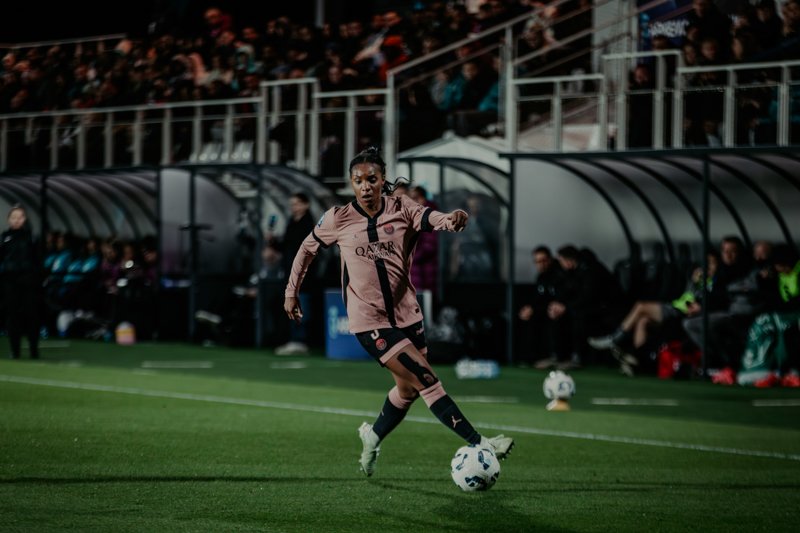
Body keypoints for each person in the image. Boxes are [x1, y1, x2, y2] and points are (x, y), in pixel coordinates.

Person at [283, 147, 513, 477]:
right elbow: (306, 249)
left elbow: (432, 218)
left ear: (382, 180)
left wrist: (452, 220)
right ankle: (482, 443)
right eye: (358, 181)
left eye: (371, 179)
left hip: (407, 314)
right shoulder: (337, 218)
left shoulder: (402, 207)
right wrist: (291, 292)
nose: (365, 186)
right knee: (426, 379)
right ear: (351, 183)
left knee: (408, 390)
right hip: (369, 320)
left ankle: (373, 436)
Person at [589, 250, 720, 376]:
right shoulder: (698, 277)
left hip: (680, 313)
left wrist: (701, 294)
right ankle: (636, 361)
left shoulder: (714, 282)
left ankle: (614, 339)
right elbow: (688, 293)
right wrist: (694, 280)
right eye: (706, 262)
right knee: (643, 321)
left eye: (712, 263)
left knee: (641, 306)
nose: (708, 266)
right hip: (676, 307)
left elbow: (706, 301)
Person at [272, 192, 316, 355]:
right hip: (290, 272)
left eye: (297, 204)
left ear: (306, 205)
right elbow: (285, 246)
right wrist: (273, 241)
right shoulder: (291, 222)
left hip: (303, 273)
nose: (294, 207)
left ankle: (301, 340)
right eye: (292, 204)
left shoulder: (309, 224)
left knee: (301, 303)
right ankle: (293, 339)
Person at [0, 206, 40, 359]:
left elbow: (38, 258)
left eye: (19, 217)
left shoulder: (31, 237)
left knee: (32, 315)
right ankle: (15, 350)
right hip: (10, 283)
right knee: (12, 316)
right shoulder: (4, 237)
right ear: (9, 220)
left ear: (24, 219)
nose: (16, 220)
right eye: (13, 217)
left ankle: (34, 350)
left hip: (29, 282)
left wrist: (36, 277)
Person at [517, 245, 565, 366]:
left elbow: (561, 297)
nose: (540, 264)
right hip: (543, 310)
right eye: (537, 261)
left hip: (560, 310)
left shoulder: (560, 274)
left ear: (550, 259)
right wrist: (530, 308)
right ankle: (530, 357)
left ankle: (555, 356)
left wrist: (558, 306)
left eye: (543, 260)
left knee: (553, 317)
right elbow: (538, 299)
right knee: (527, 317)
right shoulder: (540, 277)